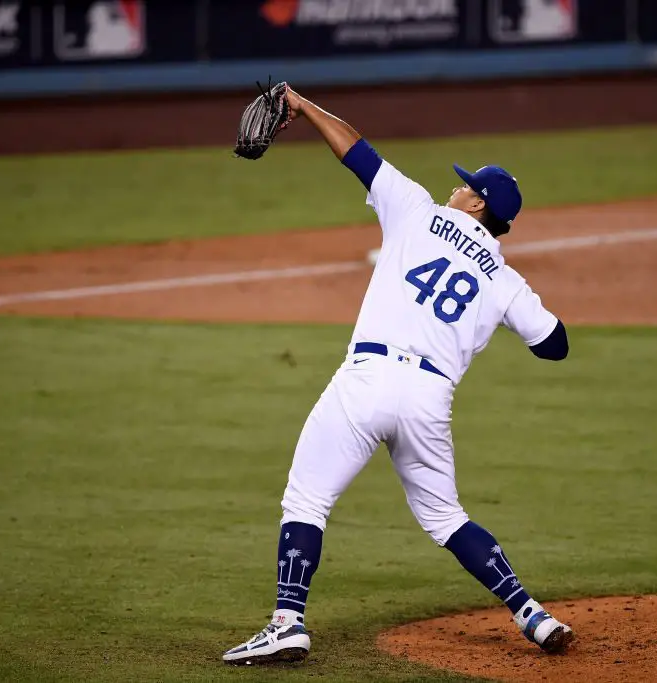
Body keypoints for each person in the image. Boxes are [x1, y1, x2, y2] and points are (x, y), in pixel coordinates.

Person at [223, 85, 572, 665]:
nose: (455, 187)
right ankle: (532, 615)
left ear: (478, 203)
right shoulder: (506, 280)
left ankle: (288, 621)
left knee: (307, 498)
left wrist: (304, 107)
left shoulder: (416, 210)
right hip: (429, 400)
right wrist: (505, 306)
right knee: (446, 517)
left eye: (465, 184)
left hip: (367, 380)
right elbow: (555, 345)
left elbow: (355, 151)